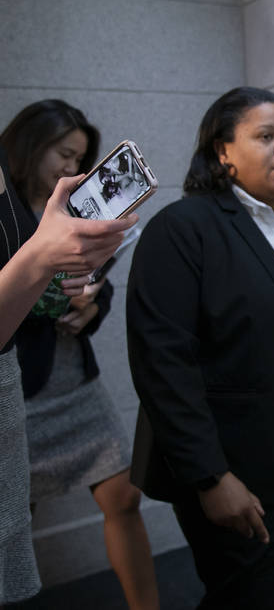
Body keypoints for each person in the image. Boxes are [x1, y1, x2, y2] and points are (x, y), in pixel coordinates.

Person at [126, 87, 274, 609]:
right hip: (237, 473)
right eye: (266, 136)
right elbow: (163, 363)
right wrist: (211, 477)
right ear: (222, 152)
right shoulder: (183, 229)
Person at [0, 100, 153, 608]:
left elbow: (96, 281)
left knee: (123, 494)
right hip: (18, 381)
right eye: (64, 154)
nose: (71, 168)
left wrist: (92, 304)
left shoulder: (72, 208)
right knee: (18, 518)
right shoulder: (9, 212)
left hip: (73, 375)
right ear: (30, 144)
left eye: (79, 159)